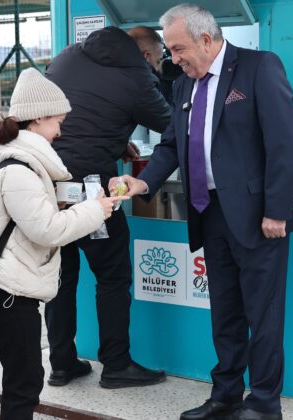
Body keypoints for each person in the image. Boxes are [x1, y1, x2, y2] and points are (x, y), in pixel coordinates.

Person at [112, 5, 293, 419]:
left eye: (179, 48)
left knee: (263, 315)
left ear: (206, 39)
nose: (174, 58)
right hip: (211, 212)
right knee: (225, 311)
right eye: (169, 49)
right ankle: (226, 396)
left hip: (259, 218)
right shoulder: (183, 85)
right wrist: (143, 183)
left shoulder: (258, 68)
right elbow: (169, 146)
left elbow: (284, 142)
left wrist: (276, 211)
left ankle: (265, 404)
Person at [0, 68, 126, 419]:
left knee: (24, 379)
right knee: (23, 384)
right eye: (58, 121)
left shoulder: (10, 156)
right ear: (38, 118)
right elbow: (49, 231)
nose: (60, 131)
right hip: (8, 291)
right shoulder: (19, 168)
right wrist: (96, 210)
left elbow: (28, 217)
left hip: (7, 284)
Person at [43, 25, 171, 389]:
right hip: (92, 191)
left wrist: (116, 142)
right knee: (112, 276)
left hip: (52, 187)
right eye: (161, 59)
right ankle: (116, 364)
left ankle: (61, 363)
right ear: (146, 55)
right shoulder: (136, 76)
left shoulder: (67, 55)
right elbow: (173, 125)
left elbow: (81, 117)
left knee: (61, 278)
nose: (161, 65)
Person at [128, 26, 177, 106]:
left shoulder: (105, 71)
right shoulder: (145, 85)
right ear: (146, 55)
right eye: (158, 61)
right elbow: (165, 116)